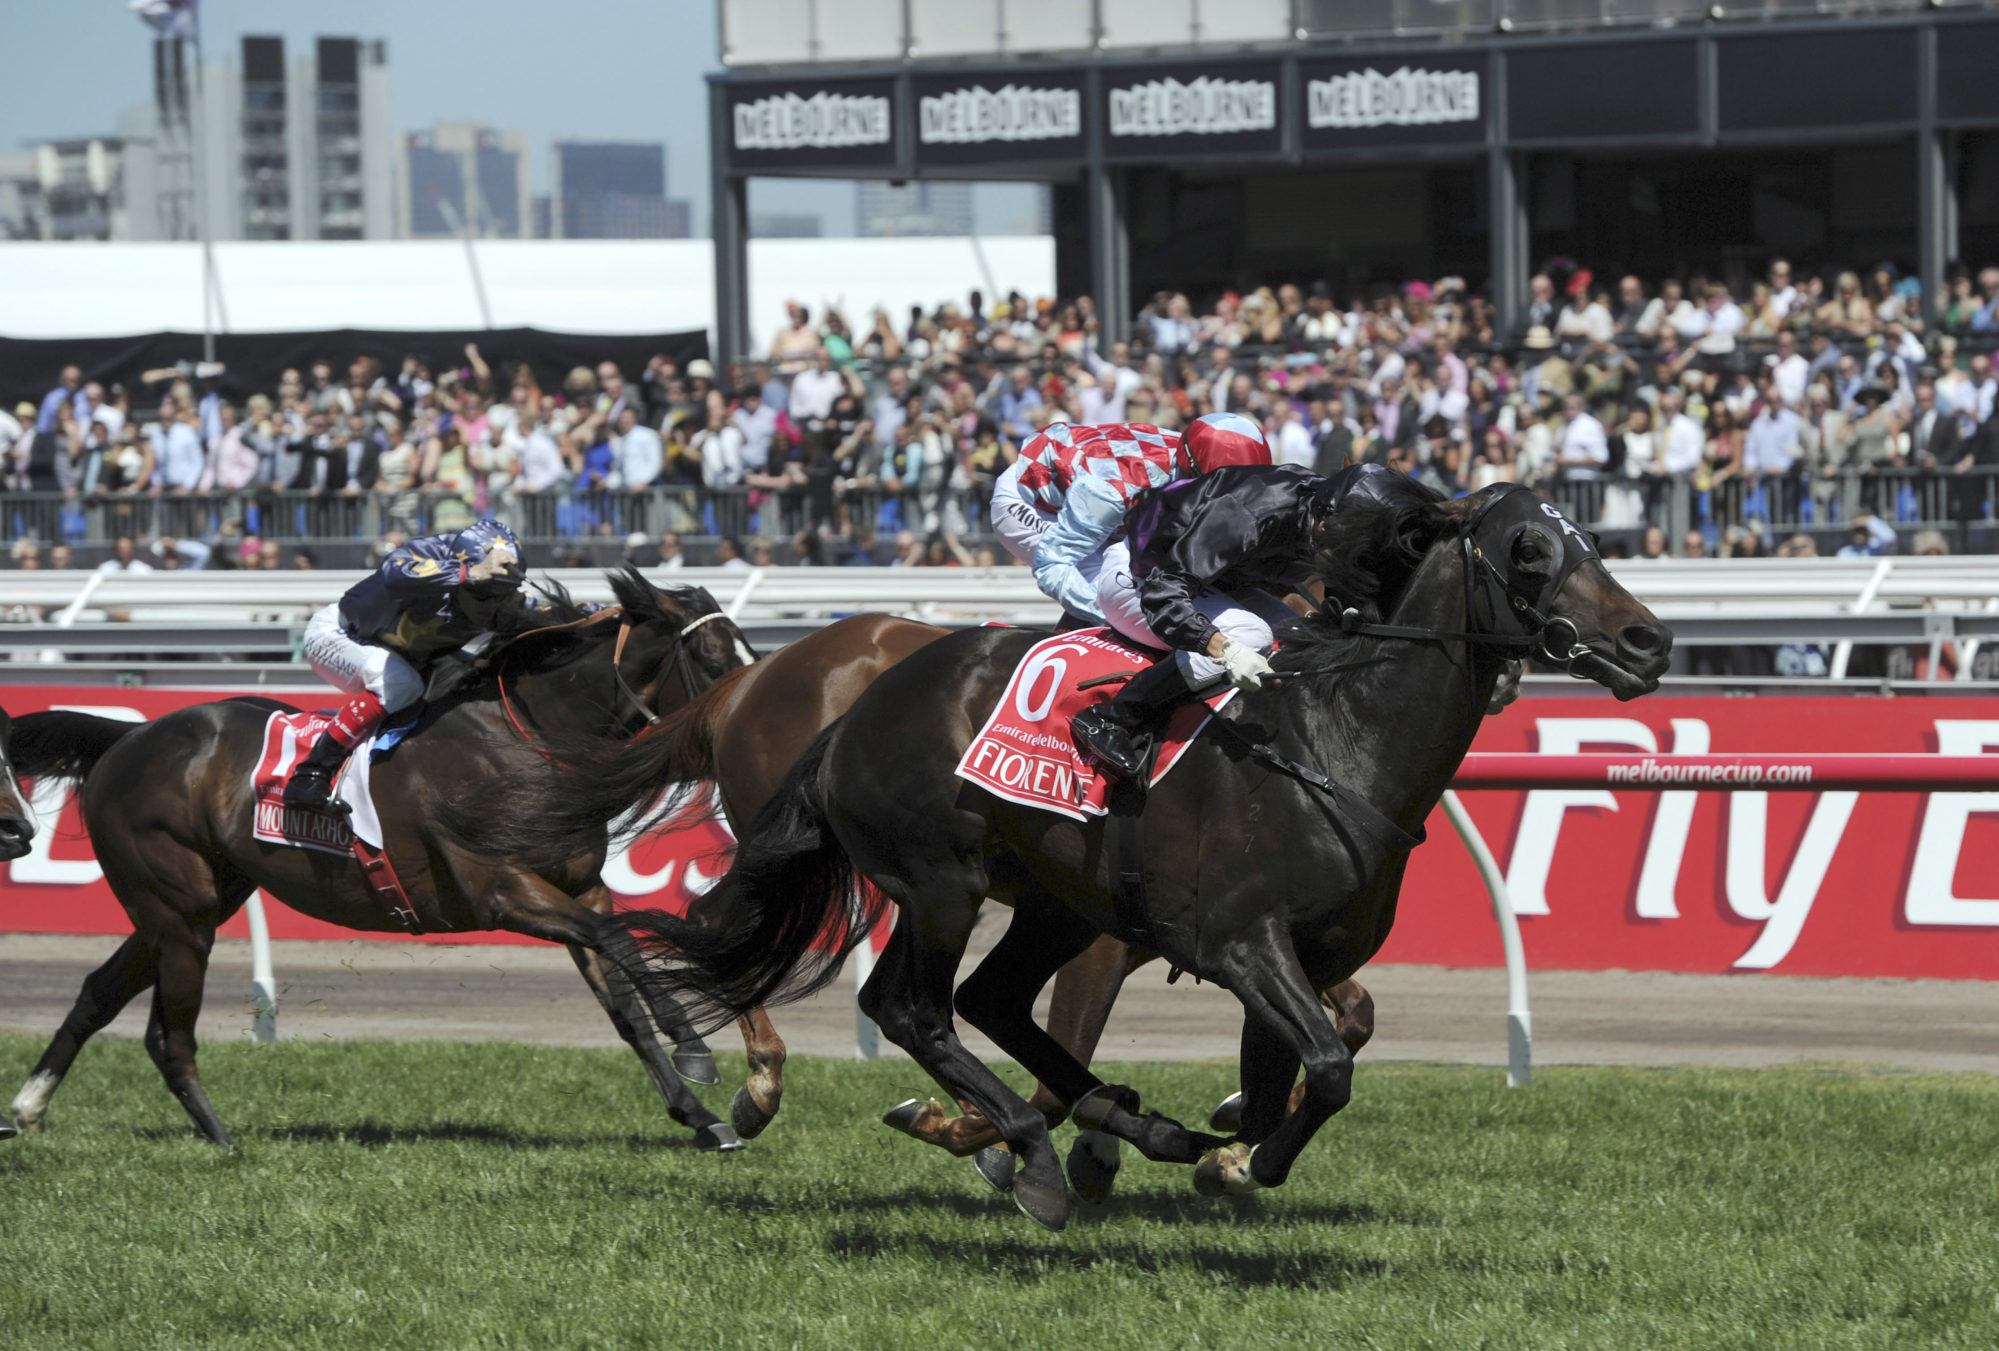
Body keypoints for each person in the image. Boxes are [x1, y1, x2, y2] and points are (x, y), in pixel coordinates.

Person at [1074, 461, 1407, 778]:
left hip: (1212, 578)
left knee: (1301, 634)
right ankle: (1112, 718)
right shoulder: (1247, 515)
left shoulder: (1323, 513)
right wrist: (1222, 647)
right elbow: (1165, 594)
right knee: (1251, 636)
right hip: (1142, 574)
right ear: (1324, 519)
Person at [289, 521, 526, 813]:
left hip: (394, 651)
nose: (495, 603)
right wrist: (471, 573)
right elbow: (395, 574)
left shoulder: (498, 594)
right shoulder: (434, 552)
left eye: (503, 592)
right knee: (404, 684)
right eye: (488, 592)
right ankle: (310, 775)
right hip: (337, 634)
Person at [1005, 413, 1269, 626]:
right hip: (1034, 501)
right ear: (1192, 472)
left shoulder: (1196, 463)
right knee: (1124, 601)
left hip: (1096, 493)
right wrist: (1119, 618)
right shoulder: (1113, 491)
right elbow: (1052, 566)